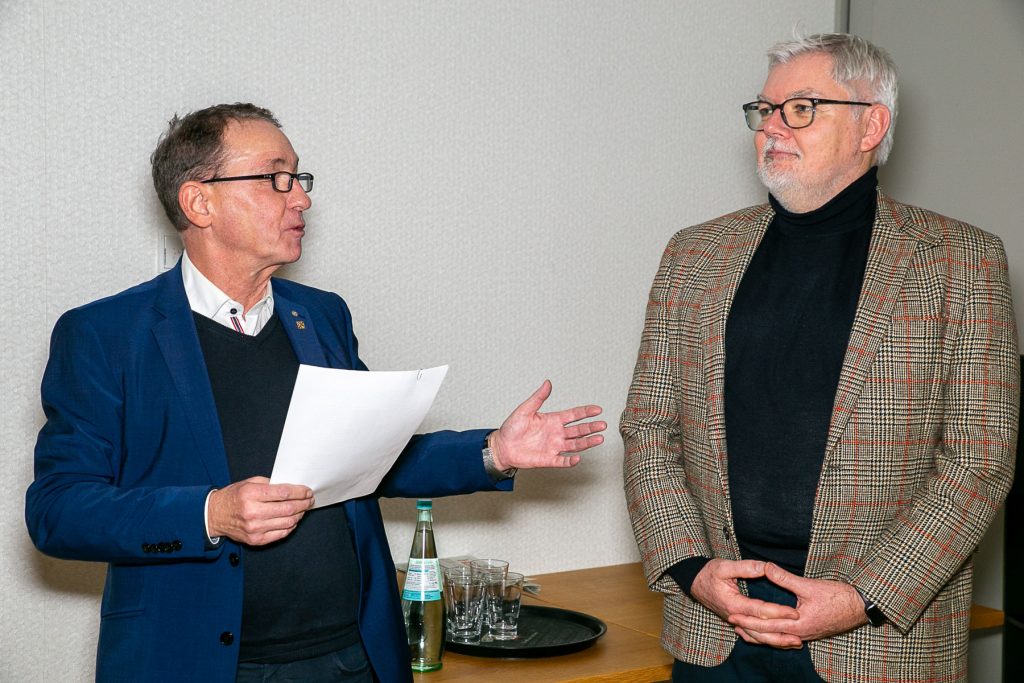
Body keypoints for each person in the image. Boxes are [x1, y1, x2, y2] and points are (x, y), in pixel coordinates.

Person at [26, 103, 607, 683]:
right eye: (276, 178)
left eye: (299, 178)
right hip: (195, 663)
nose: (300, 198)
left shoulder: (321, 318)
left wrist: (493, 452)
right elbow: (58, 511)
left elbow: (368, 459)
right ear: (199, 200)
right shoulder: (106, 335)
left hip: (350, 657)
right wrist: (211, 512)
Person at [621, 33, 1018, 683]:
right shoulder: (694, 255)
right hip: (718, 627)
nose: (772, 127)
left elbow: (980, 459)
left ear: (872, 125)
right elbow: (649, 429)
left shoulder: (962, 262)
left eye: (800, 108)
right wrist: (693, 570)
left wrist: (862, 596)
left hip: (881, 637)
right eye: (765, 109)